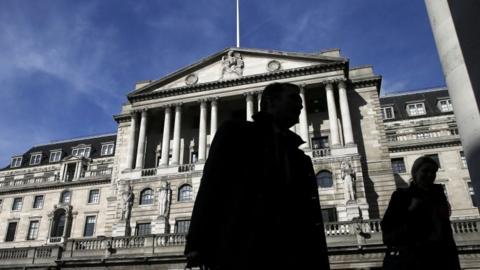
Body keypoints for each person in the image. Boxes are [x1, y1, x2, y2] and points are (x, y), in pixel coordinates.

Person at [185, 82, 330, 270]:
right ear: (271, 101)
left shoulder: (301, 159)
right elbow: (210, 188)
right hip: (243, 251)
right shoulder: (235, 134)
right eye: (293, 99)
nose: (301, 105)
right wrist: (197, 245)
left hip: (290, 255)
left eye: (301, 101)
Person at [381, 156, 460, 270]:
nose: (430, 175)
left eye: (433, 172)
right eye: (425, 171)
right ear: (415, 173)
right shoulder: (401, 197)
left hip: (439, 260)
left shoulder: (439, 198)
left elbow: (446, 235)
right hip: (411, 261)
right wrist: (411, 211)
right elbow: (388, 233)